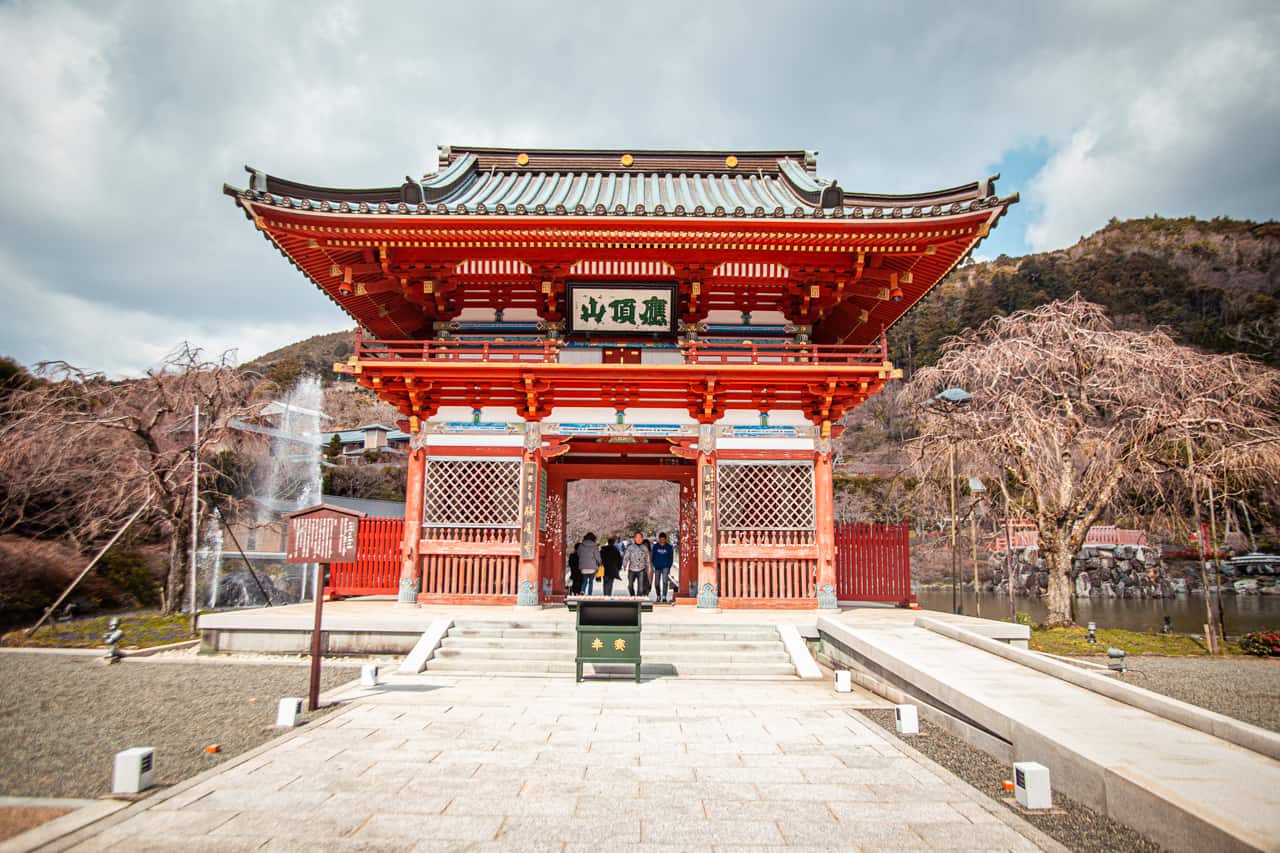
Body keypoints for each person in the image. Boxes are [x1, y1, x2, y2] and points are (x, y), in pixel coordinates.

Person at [623, 531, 652, 597]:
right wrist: (624, 564)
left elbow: (647, 560)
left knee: (641, 588)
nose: (638, 539)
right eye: (637, 537)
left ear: (642, 539)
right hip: (632, 569)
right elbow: (626, 557)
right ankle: (632, 595)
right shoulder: (630, 547)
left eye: (640, 537)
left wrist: (649, 569)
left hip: (641, 569)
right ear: (634, 539)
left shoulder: (645, 548)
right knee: (630, 585)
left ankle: (638, 601)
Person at [651, 532, 674, 604]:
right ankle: (658, 595)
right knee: (656, 583)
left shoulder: (669, 547)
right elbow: (653, 556)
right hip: (657, 566)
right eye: (661, 539)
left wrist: (669, 565)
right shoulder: (655, 546)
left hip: (665, 567)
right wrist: (653, 564)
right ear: (659, 539)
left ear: (665, 539)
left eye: (663, 539)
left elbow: (671, 557)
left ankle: (664, 596)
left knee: (665, 582)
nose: (662, 540)